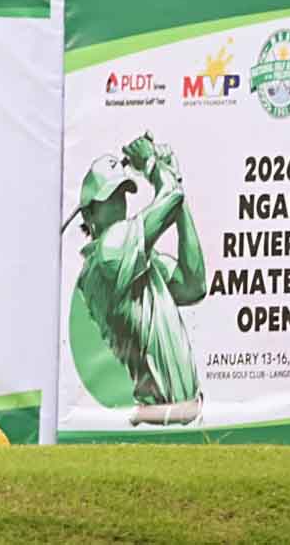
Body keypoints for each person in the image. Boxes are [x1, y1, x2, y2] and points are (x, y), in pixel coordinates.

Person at [68, 132, 208, 426]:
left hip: (183, 417)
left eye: (122, 195)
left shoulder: (135, 259)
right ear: (89, 214)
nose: (119, 205)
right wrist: (155, 166)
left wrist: (175, 185)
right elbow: (170, 198)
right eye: (109, 198)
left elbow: (193, 286)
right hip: (158, 423)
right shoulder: (108, 255)